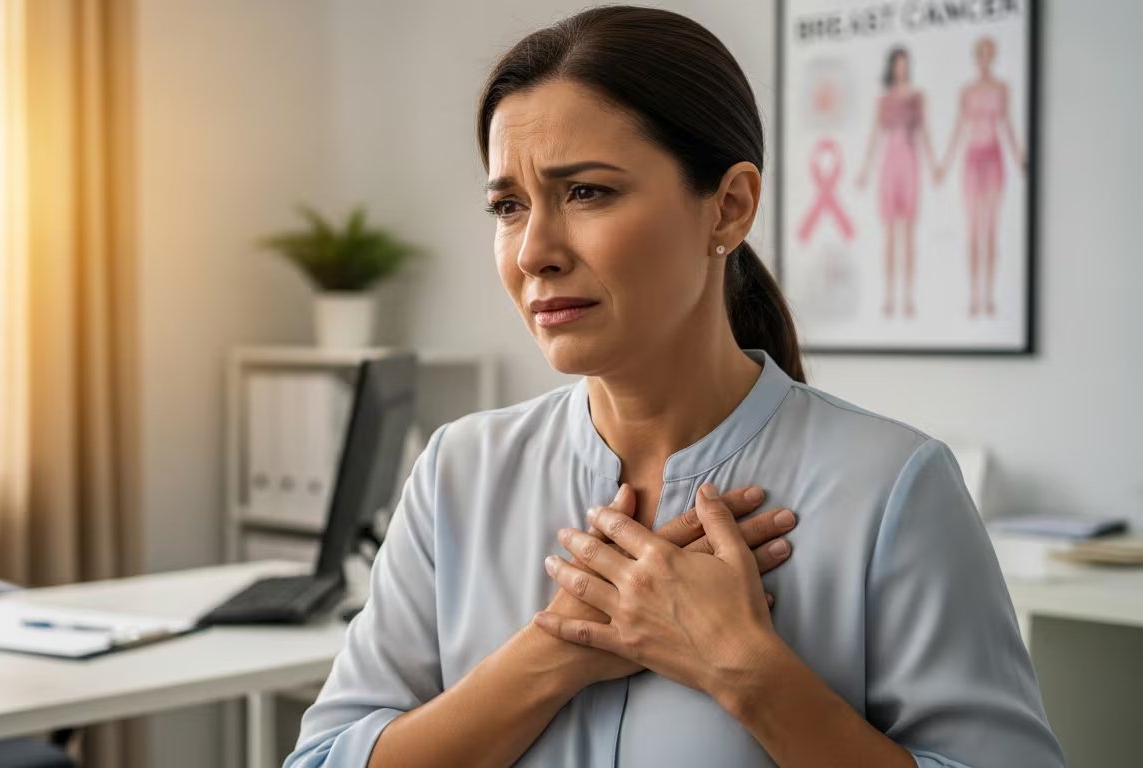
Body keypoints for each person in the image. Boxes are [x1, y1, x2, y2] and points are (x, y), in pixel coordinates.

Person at [287, 7, 1062, 767]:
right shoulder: (458, 473)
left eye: (586, 192)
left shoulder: (894, 489)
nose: (534, 253)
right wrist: (557, 651)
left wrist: (747, 671)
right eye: (507, 206)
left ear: (729, 207)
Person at [935, 36, 1027, 318]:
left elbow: (1008, 126)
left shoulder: (1002, 89)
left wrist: (1020, 157)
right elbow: (958, 129)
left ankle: (989, 295)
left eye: (989, 54)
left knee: (991, 231)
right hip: (972, 160)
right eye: (981, 54)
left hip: (994, 157)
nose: (985, 59)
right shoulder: (967, 91)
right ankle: (974, 295)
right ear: (977, 58)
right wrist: (944, 164)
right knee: (974, 231)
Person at [857, 46, 937, 318]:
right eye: (898, 64)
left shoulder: (917, 98)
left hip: (910, 164)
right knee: (891, 235)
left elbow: (924, 132)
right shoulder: (884, 101)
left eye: (905, 64)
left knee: (909, 234)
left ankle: (909, 296)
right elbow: (874, 136)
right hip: (889, 166)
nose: (901, 69)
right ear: (892, 67)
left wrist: (934, 164)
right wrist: (865, 171)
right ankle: (890, 295)